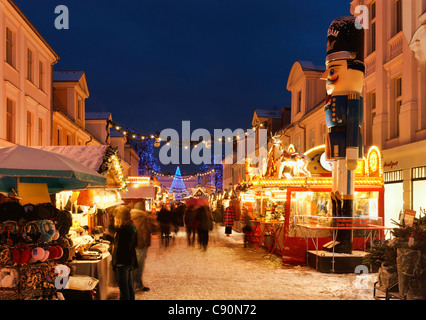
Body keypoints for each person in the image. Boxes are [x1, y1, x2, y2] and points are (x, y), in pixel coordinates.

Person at [112, 205, 138, 300]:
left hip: (122, 261)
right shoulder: (131, 227)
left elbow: (121, 247)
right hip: (129, 260)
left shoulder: (123, 230)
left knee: (124, 288)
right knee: (128, 285)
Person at [131, 201, 154, 292]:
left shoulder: (130, 216)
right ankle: (138, 284)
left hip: (132, 243)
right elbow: (148, 229)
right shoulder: (145, 217)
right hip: (141, 243)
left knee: (132, 265)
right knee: (139, 265)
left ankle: (131, 284)